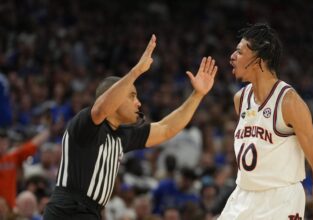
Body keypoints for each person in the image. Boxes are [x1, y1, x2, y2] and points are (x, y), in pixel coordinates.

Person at [43, 34, 218, 220]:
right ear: (115, 98)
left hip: (91, 212)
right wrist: (135, 72)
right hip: (67, 210)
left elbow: (166, 128)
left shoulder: (121, 135)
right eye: (132, 96)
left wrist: (197, 95)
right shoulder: (84, 124)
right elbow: (101, 108)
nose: (139, 103)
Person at [218, 23, 313, 220]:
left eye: (239, 52)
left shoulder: (288, 102)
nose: (232, 57)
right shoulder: (240, 99)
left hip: (280, 200)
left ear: (258, 60)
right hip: (243, 196)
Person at [0, 128, 50, 209]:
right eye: (0, 142)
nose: (2, 146)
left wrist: (49, 129)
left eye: (4, 142)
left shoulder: (12, 157)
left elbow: (33, 144)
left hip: (10, 208)